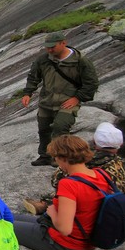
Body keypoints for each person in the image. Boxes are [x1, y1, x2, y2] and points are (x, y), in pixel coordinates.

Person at [13, 134, 113, 250]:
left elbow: (65, 229)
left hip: (66, 242)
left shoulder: (69, 184)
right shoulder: (101, 174)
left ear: (63, 158)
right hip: (85, 239)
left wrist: (52, 212)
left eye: (55, 157)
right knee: (9, 217)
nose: (55, 161)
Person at [23, 121, 125, 216]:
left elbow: (55, 181)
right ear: (120, 145)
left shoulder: (81, 161)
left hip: (82, 208)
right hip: (110, 207)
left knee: (65, 192)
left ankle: (45, 205)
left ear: (95, 142)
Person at [21, 31, 99, 166]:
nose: (50, 50)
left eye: (53, 47)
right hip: (46, 101)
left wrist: (77, 98)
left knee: (60, 127)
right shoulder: (43, 60)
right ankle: (45, 156)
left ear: (63, 43)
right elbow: (33, 77)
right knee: (44, 129)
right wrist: (28, 93)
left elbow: (91, 83)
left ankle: (60, 157)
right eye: (47, 47)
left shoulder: (80, 61)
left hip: (67, 102)